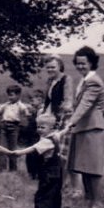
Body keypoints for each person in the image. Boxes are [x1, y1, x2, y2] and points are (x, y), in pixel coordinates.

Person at [57, 46, 104, 208]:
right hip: (84, 128)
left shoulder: (93, 81)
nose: (80, 66)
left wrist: (70, 123)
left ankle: (97, 204)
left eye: (83, 63)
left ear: (91, 63)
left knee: (93, 168)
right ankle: (90, 201)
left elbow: (84, 106)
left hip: (93, 128)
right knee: (84, 167)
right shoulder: (84, 80)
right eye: (77, 63)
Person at [12, 114, 63, 208]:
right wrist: (68, 128)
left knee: (42, 194)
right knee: (54, 194)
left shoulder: (46, 141)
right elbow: (61, 133)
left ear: (51, 128)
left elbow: (33, 148)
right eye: (38, 127)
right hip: (57, 172)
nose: (39, 130)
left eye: (42, 127)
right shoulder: (55, 136)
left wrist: (18, 152)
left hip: (48, 172)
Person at [42, 54, 81, 197]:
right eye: (48, 67)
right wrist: (44, 115)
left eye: (53, 67)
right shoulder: (50, 81)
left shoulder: (66, 79)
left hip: (65, 120)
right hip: (54, 119)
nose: (50, 69)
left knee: (66, 155)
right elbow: (48, 101)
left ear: (60, 66)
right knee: (55, 154)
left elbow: (68, 101)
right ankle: (61, 185)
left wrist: (60, 119)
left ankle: (76, 188)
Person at [0, 85, 32, 172]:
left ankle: (13, 169)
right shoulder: (6, 104)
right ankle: (2, 169)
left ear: (18, 95)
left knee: (12, 148)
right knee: (2, 148)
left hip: (14, 127)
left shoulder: (20, 105)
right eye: (8, 95)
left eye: (12, 95)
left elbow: (25, 111)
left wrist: (27, 114)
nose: (9, 97)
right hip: (4, 127)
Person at [24, 89, 46, 180]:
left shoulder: (42, 110)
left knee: (36, 153)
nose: (30, 103)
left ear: (40, 99)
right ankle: (32, 172)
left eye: (32, 100)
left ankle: (36, 172)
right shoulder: (34, 110)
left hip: (37, 135)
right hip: (31, 134)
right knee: (30, 153)